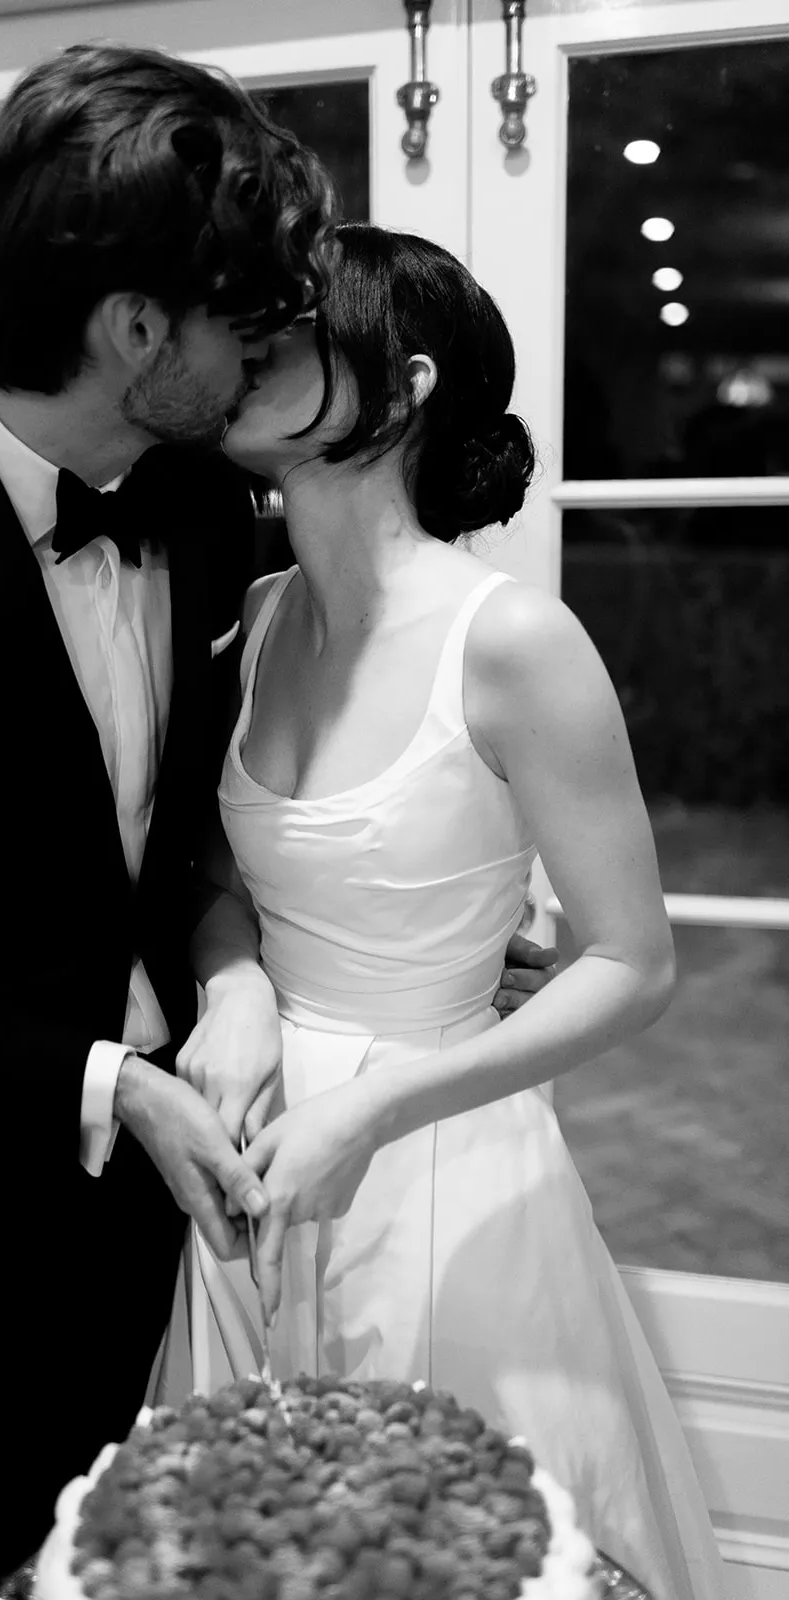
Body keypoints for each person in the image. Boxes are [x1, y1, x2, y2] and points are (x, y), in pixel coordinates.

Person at [0, 49, 556, 1599]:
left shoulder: (192, 500)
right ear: (134, 329)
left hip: (205, 1229)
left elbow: (215, 821)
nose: (263, 358)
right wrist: (114, 1083)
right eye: (244, 323)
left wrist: (403, 919)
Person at [175, 225, 725, 1600]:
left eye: (293, 336)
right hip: (249, 1157)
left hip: (435, 1160)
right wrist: (234, 986)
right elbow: (226, 875)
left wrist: (373, 1105)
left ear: (404, 386)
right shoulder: (256, 610)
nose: (250, 355)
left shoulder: (515, 640)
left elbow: (631, 962)